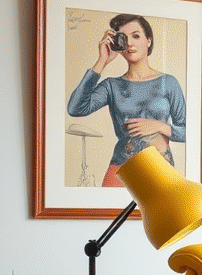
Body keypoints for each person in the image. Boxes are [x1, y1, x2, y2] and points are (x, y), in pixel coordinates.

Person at [67, 14, 187, 186]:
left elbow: (188, 133)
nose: (130, 43)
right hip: (121, 172)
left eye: (136, 36)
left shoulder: (168, 83)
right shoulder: (112, 86)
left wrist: (159, 126)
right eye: (124, 38)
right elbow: (76, 108)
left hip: (162, 172)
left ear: (149, 41)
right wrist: (102, 61)